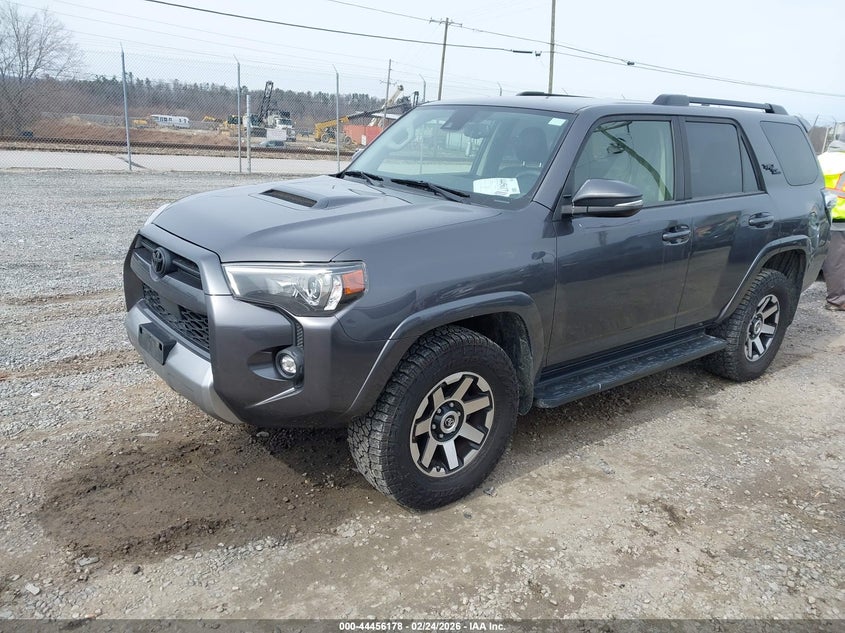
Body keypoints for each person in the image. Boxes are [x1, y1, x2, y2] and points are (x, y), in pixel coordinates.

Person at [820, 136, 845, 311]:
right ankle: (837, 301)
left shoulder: (820, 159)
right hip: (842, 216)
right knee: (838, 261)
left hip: (824, 215)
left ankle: (837, 299)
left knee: (832, 260)